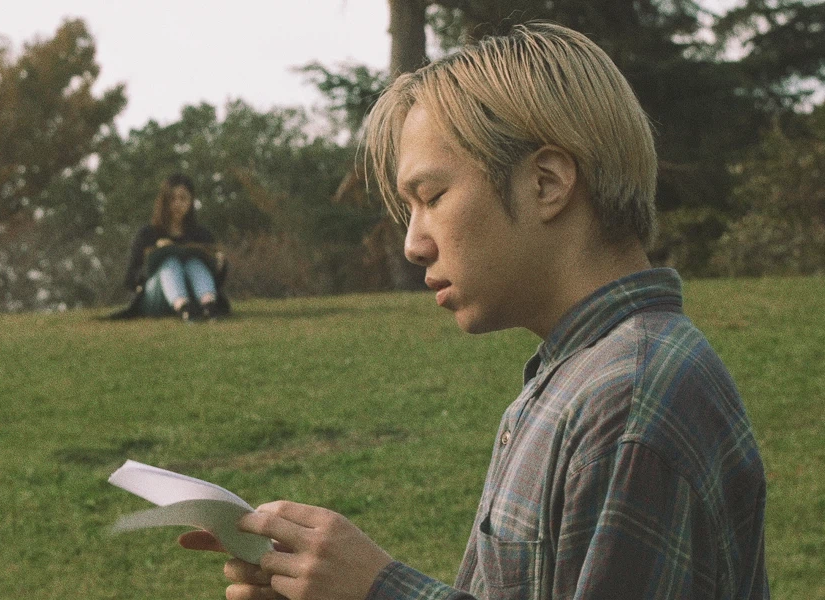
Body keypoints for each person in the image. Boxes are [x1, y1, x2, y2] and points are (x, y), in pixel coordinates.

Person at [179, 21, 769, 600]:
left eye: (432, 197)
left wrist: (378, 591)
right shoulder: (580, 379)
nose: (414, 243)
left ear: (546, 183)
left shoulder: (630, 400)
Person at [106, 173, 229, 322]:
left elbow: (217, 281)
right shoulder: (147, 234)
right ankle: (184, 309)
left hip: (195, 295)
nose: (177, 204)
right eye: (172, 198)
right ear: (164, 201)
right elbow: (130, 278)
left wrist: (220, 265)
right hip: (157, 298)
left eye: (183, 198)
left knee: (194, 263)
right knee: (171, 262)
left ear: (191, 202)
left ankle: (209, 307)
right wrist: (156, 253)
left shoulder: (201, 234)